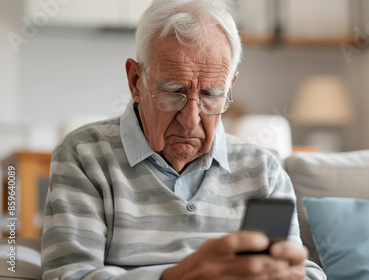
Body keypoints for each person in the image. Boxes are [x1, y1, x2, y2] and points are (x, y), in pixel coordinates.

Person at [41, 0, 326, 279]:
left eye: (211, 95)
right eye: (173, 92)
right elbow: (71, 274)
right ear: (135, 82)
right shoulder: (83, 156)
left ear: (230, 86)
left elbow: (303, 269)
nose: (190, 120)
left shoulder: (263, 169)